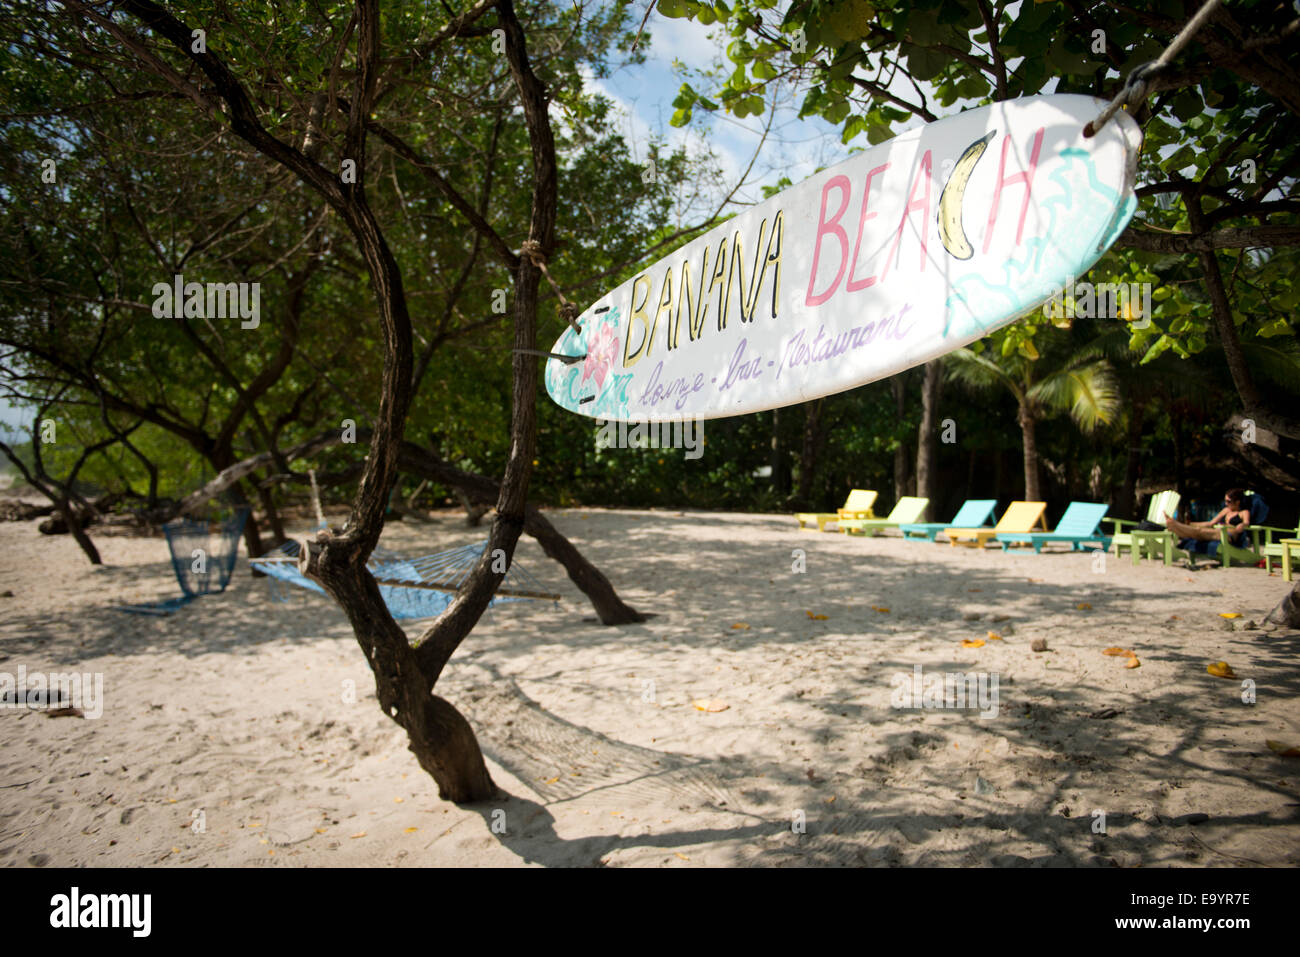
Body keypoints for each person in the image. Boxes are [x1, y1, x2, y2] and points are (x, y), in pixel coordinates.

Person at [1162, 488, 1251, 550]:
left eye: (1228, 501)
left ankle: (1175, 525)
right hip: (1218, 532)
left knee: (1199, 532)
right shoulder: (1226, 510)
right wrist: (1190, 524)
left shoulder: (1243, 512)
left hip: (1229, 535)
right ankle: (1176, 526)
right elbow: (1210, 523)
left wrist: (1242, 525)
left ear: (1237, 502)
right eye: (1225, 501)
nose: (1226, 503)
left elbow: (1246, 523)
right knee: (1198, 531)